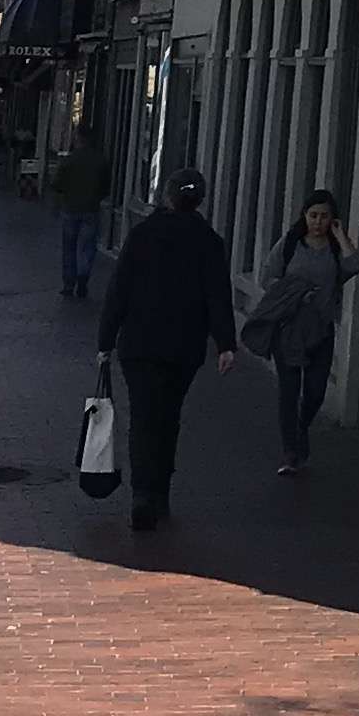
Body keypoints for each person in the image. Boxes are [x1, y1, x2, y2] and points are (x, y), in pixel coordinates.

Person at [94, 167, 238, 533]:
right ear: (200, 200)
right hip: (183, 345)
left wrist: (105, 341)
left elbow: (119, 289)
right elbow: (218, 296)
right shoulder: (209, 241)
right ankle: (160, 491)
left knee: (143, 416)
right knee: (168, 415)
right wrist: (225, 343)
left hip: (140, 341)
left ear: (169, 196)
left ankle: (143, 492)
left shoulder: (143, 235)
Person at [246, 187, 359, 474]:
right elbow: (267, 277)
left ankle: (300, 428)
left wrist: (340, 235)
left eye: (324, 217)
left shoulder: (335, 251)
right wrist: (294, 294)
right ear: (303, 216)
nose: (317, 221)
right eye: (312, 215)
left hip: (320, 331)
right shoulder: (290, 244)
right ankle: (290, 453)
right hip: (290, 329)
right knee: (289, 389)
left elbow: (355, 265)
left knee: (315, 391)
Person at [48, 124, 113, 301]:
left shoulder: (69, 160)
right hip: (91, 209)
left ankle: (69, 283)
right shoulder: (100, 160)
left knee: (69, 246)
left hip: (71, 208)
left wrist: (57, 204)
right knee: (87, 246)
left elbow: (57, 185)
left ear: (77, 138)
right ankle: (83, 276)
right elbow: (106, 186)